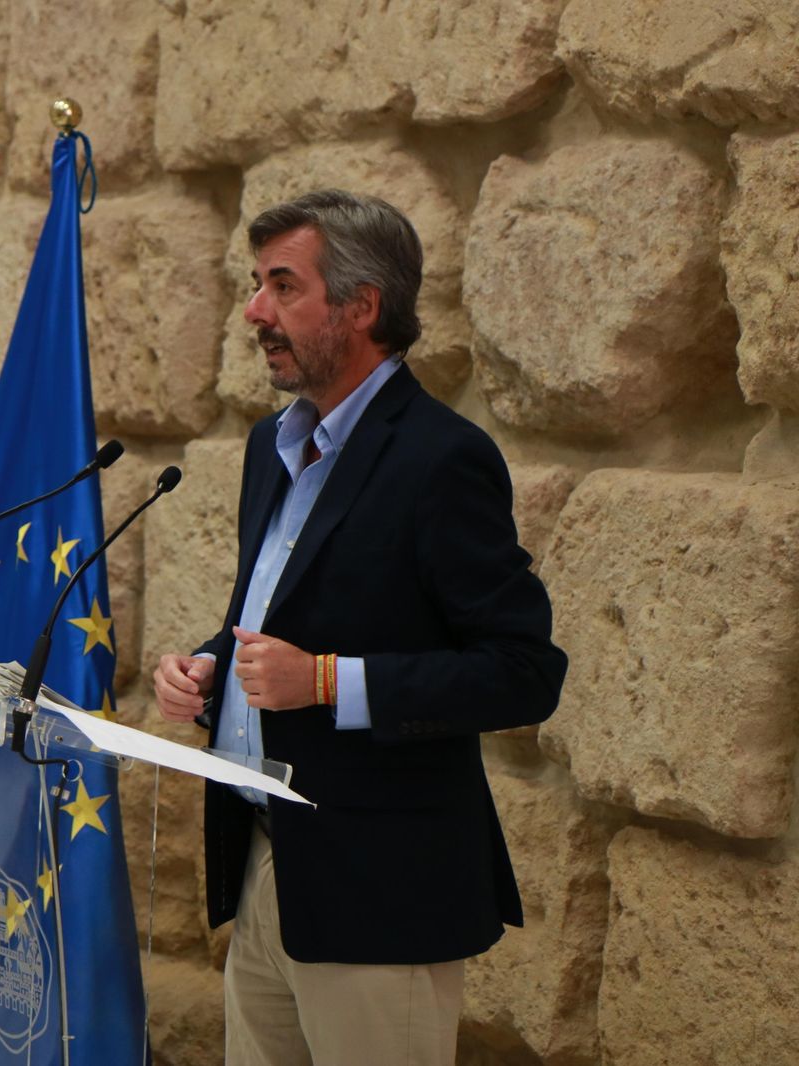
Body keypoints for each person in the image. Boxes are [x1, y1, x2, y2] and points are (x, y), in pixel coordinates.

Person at [152, 190, 566, 1066]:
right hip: (267, 862)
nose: (255, 311)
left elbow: (523, 669)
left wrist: (330, 681)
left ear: (362, 306)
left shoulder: (440, 456)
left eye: (282, 286)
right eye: (255, 286)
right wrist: (207, 665)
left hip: (383, 890)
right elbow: (268, 617)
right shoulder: (272, 450)